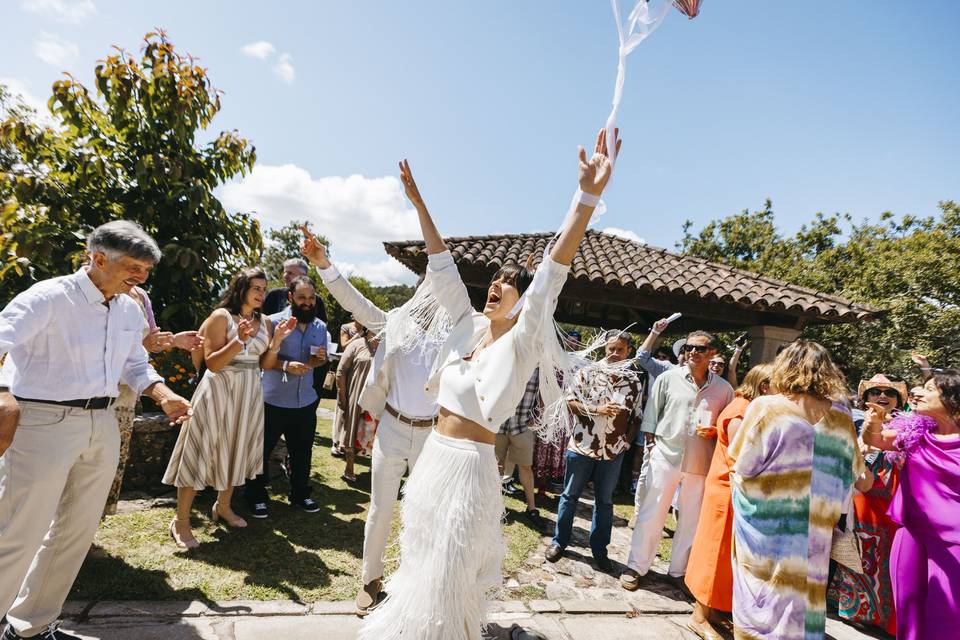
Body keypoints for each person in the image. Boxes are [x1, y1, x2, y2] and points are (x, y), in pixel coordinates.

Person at [359, 129, 620, 640]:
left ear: (523, 303)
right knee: (420, 560)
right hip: (433, 456)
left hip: (470, 471)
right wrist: (419, 202)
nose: (495, 286)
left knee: (448, 576)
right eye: (493, 281)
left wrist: (586, 198)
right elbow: (441, 265)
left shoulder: (522, 344)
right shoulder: (466, 327)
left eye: (507, 284)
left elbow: (552, 274)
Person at [0, 221, 192, 640]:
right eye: (135, 268)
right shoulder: (49, 296)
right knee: (17, 531)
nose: (141, 278)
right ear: (99, 258)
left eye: (146, 271)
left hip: (101, 425)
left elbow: (135, 365)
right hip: (43, 423)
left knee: (75, 532)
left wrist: (163, 395)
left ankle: (28, 627)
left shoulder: (128, 308)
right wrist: (1, 391)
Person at [302, 230, 451, 616]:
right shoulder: (395, 323)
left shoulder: (457, 334)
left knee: (425, 512)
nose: (433, 297)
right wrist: (324, 265)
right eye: (428, 288)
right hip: (394, 429)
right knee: (381, 508)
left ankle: (417, 582)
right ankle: (370, 579)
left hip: (433, 435)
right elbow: (356, 303)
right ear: (420, 291)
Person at [727, 340, 864, 640]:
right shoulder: (842, 416)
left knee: (763, 594)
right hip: (817, 529)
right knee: (805, 596)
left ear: (784, 367)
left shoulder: (766, 407)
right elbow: (852, 473)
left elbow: (744, 465)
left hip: (769, 525)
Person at [162, 268, 296, 547]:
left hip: (248, 392)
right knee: (199, 450)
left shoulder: (267, 323)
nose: (261, 293)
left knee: (237, 448)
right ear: (241, 289)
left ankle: (223, 506)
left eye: (264, 288)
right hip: (218, 389)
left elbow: (266, 365)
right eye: (256, 288)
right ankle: (181, 521)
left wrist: (277, 343)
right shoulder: (221, 317)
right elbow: (212, 363)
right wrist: (239, 341)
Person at [622, 330, 734, 591]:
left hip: (700, 462)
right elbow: (651, 414)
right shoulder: (668, 378)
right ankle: (636, 566)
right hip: (666, 455)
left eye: (700, 348)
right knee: (652, 513)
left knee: (690, 520)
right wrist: (651, 446)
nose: (693, 351)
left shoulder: (724, 389)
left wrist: (716, 431)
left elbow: (727, 427)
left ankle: (679, 572)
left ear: (712, 353)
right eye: (690, 347)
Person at [862, 370, 960, 640]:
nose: (920, 392)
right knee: (908, 608)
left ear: (952, 401)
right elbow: (876, 440)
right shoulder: (915, 432)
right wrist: (873, 422)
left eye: (930, 389)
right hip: (910, 533)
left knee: (947, 615)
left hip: (953, 543)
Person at [683, 364, 773, 639]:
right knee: (715, 553)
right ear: (764, 385)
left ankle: (716, 609)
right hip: (726, 490)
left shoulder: (750, 408)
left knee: (728, 556)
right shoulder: (741, 410)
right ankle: (698, 616)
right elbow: (741, 455)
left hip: (737, 491)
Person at [104, 286, 203, 516]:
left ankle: (88, 533)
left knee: (111, 462)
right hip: (94, 390)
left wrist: (174, 341)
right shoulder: (99, 291)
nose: (141, 273)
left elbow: (146, 345)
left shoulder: (141, 296)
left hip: (127, 392)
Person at [546, 331, 641, 572]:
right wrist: (596, 410)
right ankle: (560, 542)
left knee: (605, 502)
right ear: (604, 349)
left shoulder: (634, 382)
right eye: (611, 348)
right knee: (569, 496)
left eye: (620, 349)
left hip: (612, 451)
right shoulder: (587, 373)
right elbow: (570, 402)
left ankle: (600, 550)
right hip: (582, 446)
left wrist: (626, 442)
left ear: (628, 351)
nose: (614, 353)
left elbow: (636, 417)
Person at [243, 276, 328, 518]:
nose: (308, 303)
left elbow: (318, 360)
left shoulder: (320, 327)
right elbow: (263, 361)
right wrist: (287, 365)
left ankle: (301, 494)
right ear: (290, 297)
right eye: (302, 298)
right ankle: (256, 496)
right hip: (273, 399)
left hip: (306, 401)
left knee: (302, 452)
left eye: (311, 298)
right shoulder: (272, 323)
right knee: (262, 450)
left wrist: (318, 359)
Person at [829, 373, 907, 635]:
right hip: (862, 497)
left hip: (893, 502)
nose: (882, 396)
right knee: (857, 551)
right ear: (865, 398)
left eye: (889, 392)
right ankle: (854, 610)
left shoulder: (906, 427)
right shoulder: (855, 420)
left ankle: (886, 618)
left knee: (886, 558)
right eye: (875, 392)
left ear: (898, 399)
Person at [495, 368, 541, 521]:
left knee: (526, 467)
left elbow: (545, 392)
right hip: (498, 423)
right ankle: (495, 506)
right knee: (496, 466)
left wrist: (539, 413)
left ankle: (532, 507)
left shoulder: (538, 366)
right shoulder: (506, 357)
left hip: (522, 424)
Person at [335, 322, 378, 483]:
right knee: (352, 430)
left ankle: (375, 468)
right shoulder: (356, 344)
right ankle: (349, 467)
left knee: (376, 433)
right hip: (357, 395)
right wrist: (342, 396)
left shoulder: (387, 347)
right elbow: (341, 371)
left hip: (378, 399)